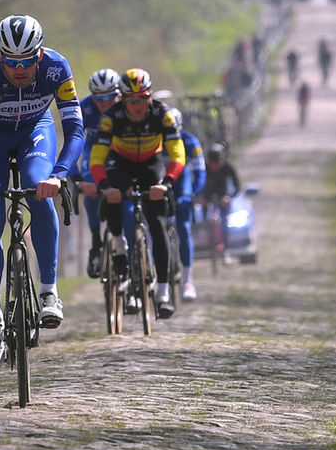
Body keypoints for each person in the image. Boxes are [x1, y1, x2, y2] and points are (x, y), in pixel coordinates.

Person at [0, 14, 84, 368]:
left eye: (28, 61)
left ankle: (49, 293)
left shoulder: (57, 67)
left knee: (38, 192)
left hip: (35, 134)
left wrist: (58, 175)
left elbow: (74, 130)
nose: (20, 69)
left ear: (40, 54)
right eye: (11, 62)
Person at [90, 68, 185, 319]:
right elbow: (97, 158)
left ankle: (163, 293)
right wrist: (104, 186)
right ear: (122, 99)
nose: (137, 105)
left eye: (142, 98)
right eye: (130, 100)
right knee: (113, 194)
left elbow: (177, 153)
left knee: (157, 224)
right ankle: (119, 243)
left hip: (151, 165)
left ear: (150, 96)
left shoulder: (162, 115)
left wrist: (166, 183)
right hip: (120, 163)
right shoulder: (111, 117)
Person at [155, 93, 206, 302]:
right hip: (161, 184)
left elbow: (200, 172)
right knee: (154, 228)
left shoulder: (190, 142)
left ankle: (187, 280)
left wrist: (194, 193)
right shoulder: (156, 139)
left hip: (182, 186)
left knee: (184, 228)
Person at [71, 68, 122, 279]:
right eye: (99, 97)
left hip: (120, 149)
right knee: (92, 188)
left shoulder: (127, 107)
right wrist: (76, 178)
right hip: (94, 151)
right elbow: (72, 145)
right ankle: (96, 242)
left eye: (110, 96)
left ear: (119, 93)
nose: (104, 102)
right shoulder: (84, 109)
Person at [199, 142, 241, 254]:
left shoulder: (228, 168)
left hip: (223, 196)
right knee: (202, 218)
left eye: (216, 163)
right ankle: (207, 243)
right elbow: (196, 183)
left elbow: (237, 186)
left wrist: (229, 197)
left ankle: (225, 248)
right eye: (212, 163)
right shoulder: (203, 169)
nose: (214, 166)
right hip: (207, 196)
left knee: (225, 221)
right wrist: (199, 197)